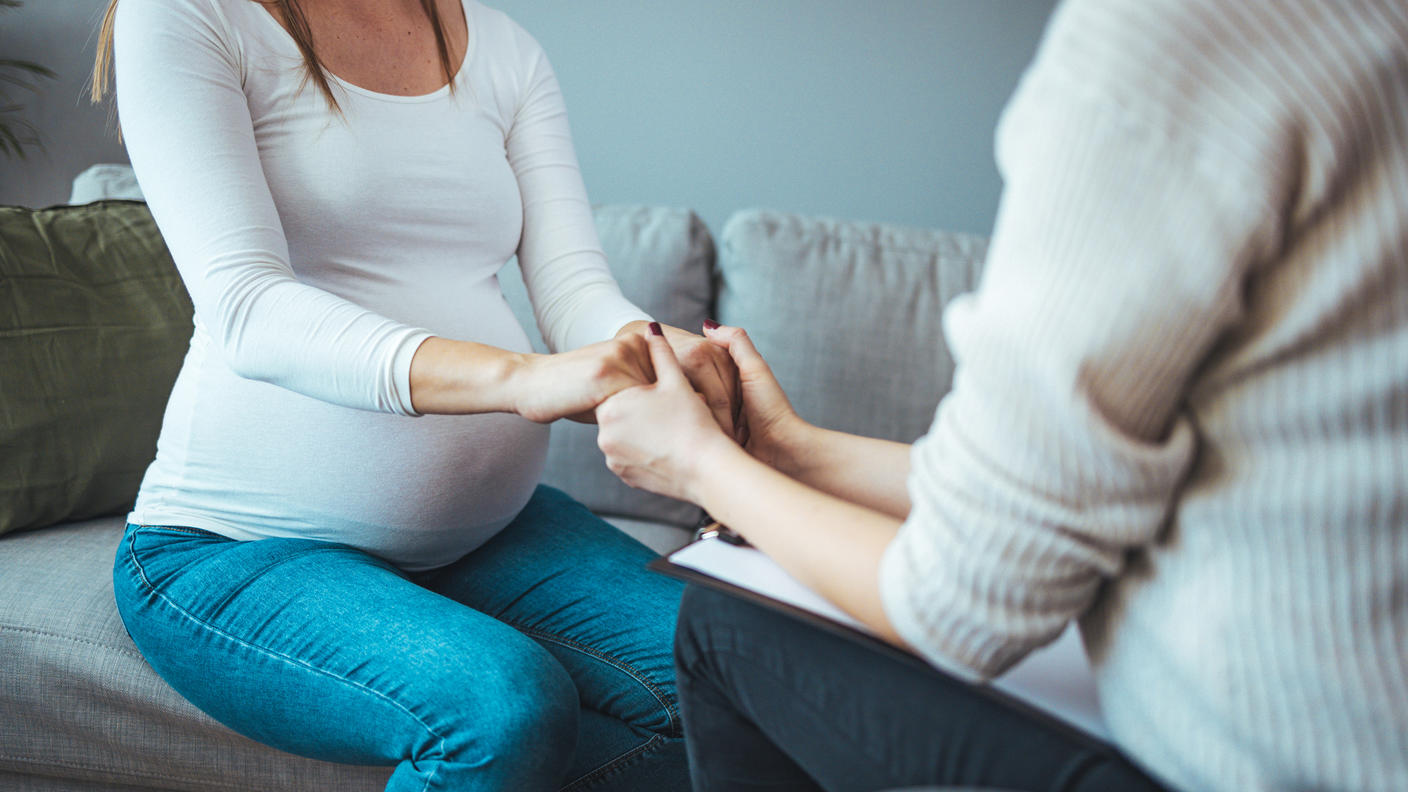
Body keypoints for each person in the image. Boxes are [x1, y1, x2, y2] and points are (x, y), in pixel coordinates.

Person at [594, 0, 1408, 790]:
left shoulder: (1178, 30)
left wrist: (698, 464)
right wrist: (788, 452)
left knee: (722, 624)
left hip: (1241, 760)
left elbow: (965, 602)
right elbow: (1038, 504)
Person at [90, 0, 739, 789]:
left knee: (728, 683)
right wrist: (520, 378)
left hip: (487, 534)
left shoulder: (505, 50)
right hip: (234, 547)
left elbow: (573, 289)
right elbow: (248, 309)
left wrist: (668, 356)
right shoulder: (186, 13)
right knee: (503, 710)